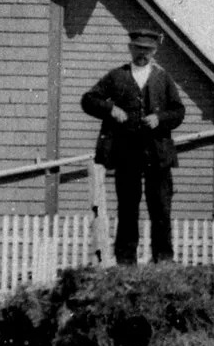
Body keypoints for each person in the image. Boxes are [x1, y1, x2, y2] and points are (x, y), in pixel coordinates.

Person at [80, 25, 186, 265]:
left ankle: (164, 259)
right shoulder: (116, 77)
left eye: (148, 49)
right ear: (130, 48)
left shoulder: (163, 78)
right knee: (127, 210)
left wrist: (160, 119)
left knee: (160, 208)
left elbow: (179, 111)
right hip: (126, 154)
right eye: (138, 48)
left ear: (155, 51)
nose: (143, 53)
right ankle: (126, 261)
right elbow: (88, 100)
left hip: (157, 154)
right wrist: (111, 109)